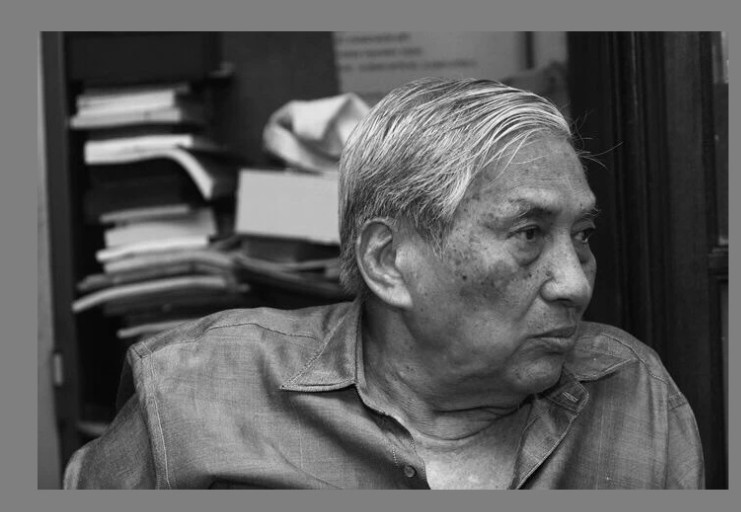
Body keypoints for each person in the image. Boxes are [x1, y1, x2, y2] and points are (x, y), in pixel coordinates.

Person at [64, 77, 705, 489]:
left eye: (582, 235)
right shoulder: (193, 396)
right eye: (529, 234)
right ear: (389, 261)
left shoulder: (633, 399)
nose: (573, 284)